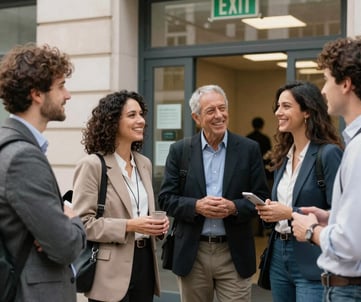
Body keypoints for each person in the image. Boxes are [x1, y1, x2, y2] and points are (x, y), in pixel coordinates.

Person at [158, 84, 270, 302]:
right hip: (193, 252)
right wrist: (196, 206)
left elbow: (261, 199)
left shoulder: (248, 149)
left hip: (233, 252)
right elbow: (166, 198)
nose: (219, 115)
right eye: (211, 111)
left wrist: (234, 207)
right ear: (197, 118)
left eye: (222, 108)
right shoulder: (180, 151)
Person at [0, 43, 86, 301]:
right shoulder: (22, 157)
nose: (67, 95)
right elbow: (66, 246)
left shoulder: (8, 143)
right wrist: (73, 219)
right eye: (60, 86)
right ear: (37, 94)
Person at [291, 38, 361, 302]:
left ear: (346, 84)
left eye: (327, 79)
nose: (324, 90)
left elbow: (350, 244)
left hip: (352, 290)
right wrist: (333, 217)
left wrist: (310, 230)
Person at [72, 90, 169, 302]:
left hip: (145, 264)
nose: (141, 120)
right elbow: (83, 223)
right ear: (112, 121)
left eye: (141, 114)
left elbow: (144, 213)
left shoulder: (144, 163)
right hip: (109, 272)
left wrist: (157, 226)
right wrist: (130, 226)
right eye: (132, 115)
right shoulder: (92, 165)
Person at [256, 81, 343, 302]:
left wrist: (288, 212)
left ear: (306, 111)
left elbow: (340, 213)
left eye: (286, 106)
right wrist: (269, 211)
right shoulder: (282, 157)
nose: (278, 113)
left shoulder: (328, 154)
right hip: (278, 253)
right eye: (277, 107)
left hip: (312, 256)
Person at [247, 117, 273, 236]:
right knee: (263, 201)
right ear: (262, 125)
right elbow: (268, 156)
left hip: (249, 174)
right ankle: (261, 230)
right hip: (264, 174)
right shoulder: (265, 139)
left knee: (251, 201)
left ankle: (252, 230)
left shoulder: (247, 139)